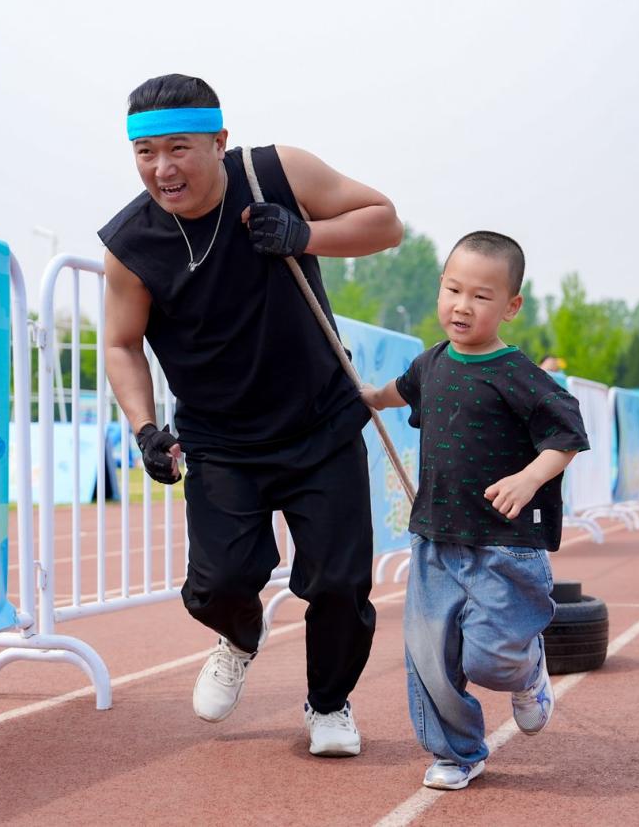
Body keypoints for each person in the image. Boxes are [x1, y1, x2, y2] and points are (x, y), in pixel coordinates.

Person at [99, 74, 402, 756]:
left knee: (340, 582)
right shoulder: (131, 244)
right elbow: (121, 344)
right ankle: (238, 636)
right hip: (221, 440)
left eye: (179, 148)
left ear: (219, 142)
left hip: (321, 422)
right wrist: (144, 428)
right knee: (219, 584)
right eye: (146, 152)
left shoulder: (274, 173)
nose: (163, 168)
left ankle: (329, 704)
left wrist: (304, 234)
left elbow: (386, 222)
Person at [360, 231, 589, 790]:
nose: (462, 306)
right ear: (440, 288)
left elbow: (566, 434)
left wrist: (529, 478)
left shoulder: (519, 374)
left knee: (491, 660)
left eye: (481, 296)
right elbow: (399, 390)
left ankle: (527, 670)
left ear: (511, 306)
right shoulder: (431, 363)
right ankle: (457, 753)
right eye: (453, 290)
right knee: (430, 658)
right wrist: (367, 396)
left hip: (504, 545)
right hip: (434, 538)